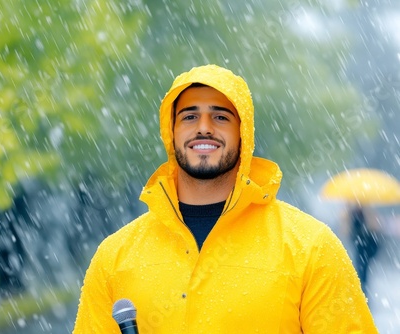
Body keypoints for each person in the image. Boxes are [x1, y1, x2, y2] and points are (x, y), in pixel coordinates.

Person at [73, 64, 378, 333]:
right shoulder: (114, 258)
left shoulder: (312, 249)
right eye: (190, 116)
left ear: (243, 134)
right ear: (171, 132)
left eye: (220, 117)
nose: (204, 128)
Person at [348, 205, 380, 296]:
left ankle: (363, 292)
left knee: (363, 271)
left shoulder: (368, 213)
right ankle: (361, 292)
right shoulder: (351, 214)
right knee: (359, 270)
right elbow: (347, 231)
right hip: (358, 247)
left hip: (366, 247)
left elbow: (373, 227)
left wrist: (367, 217)